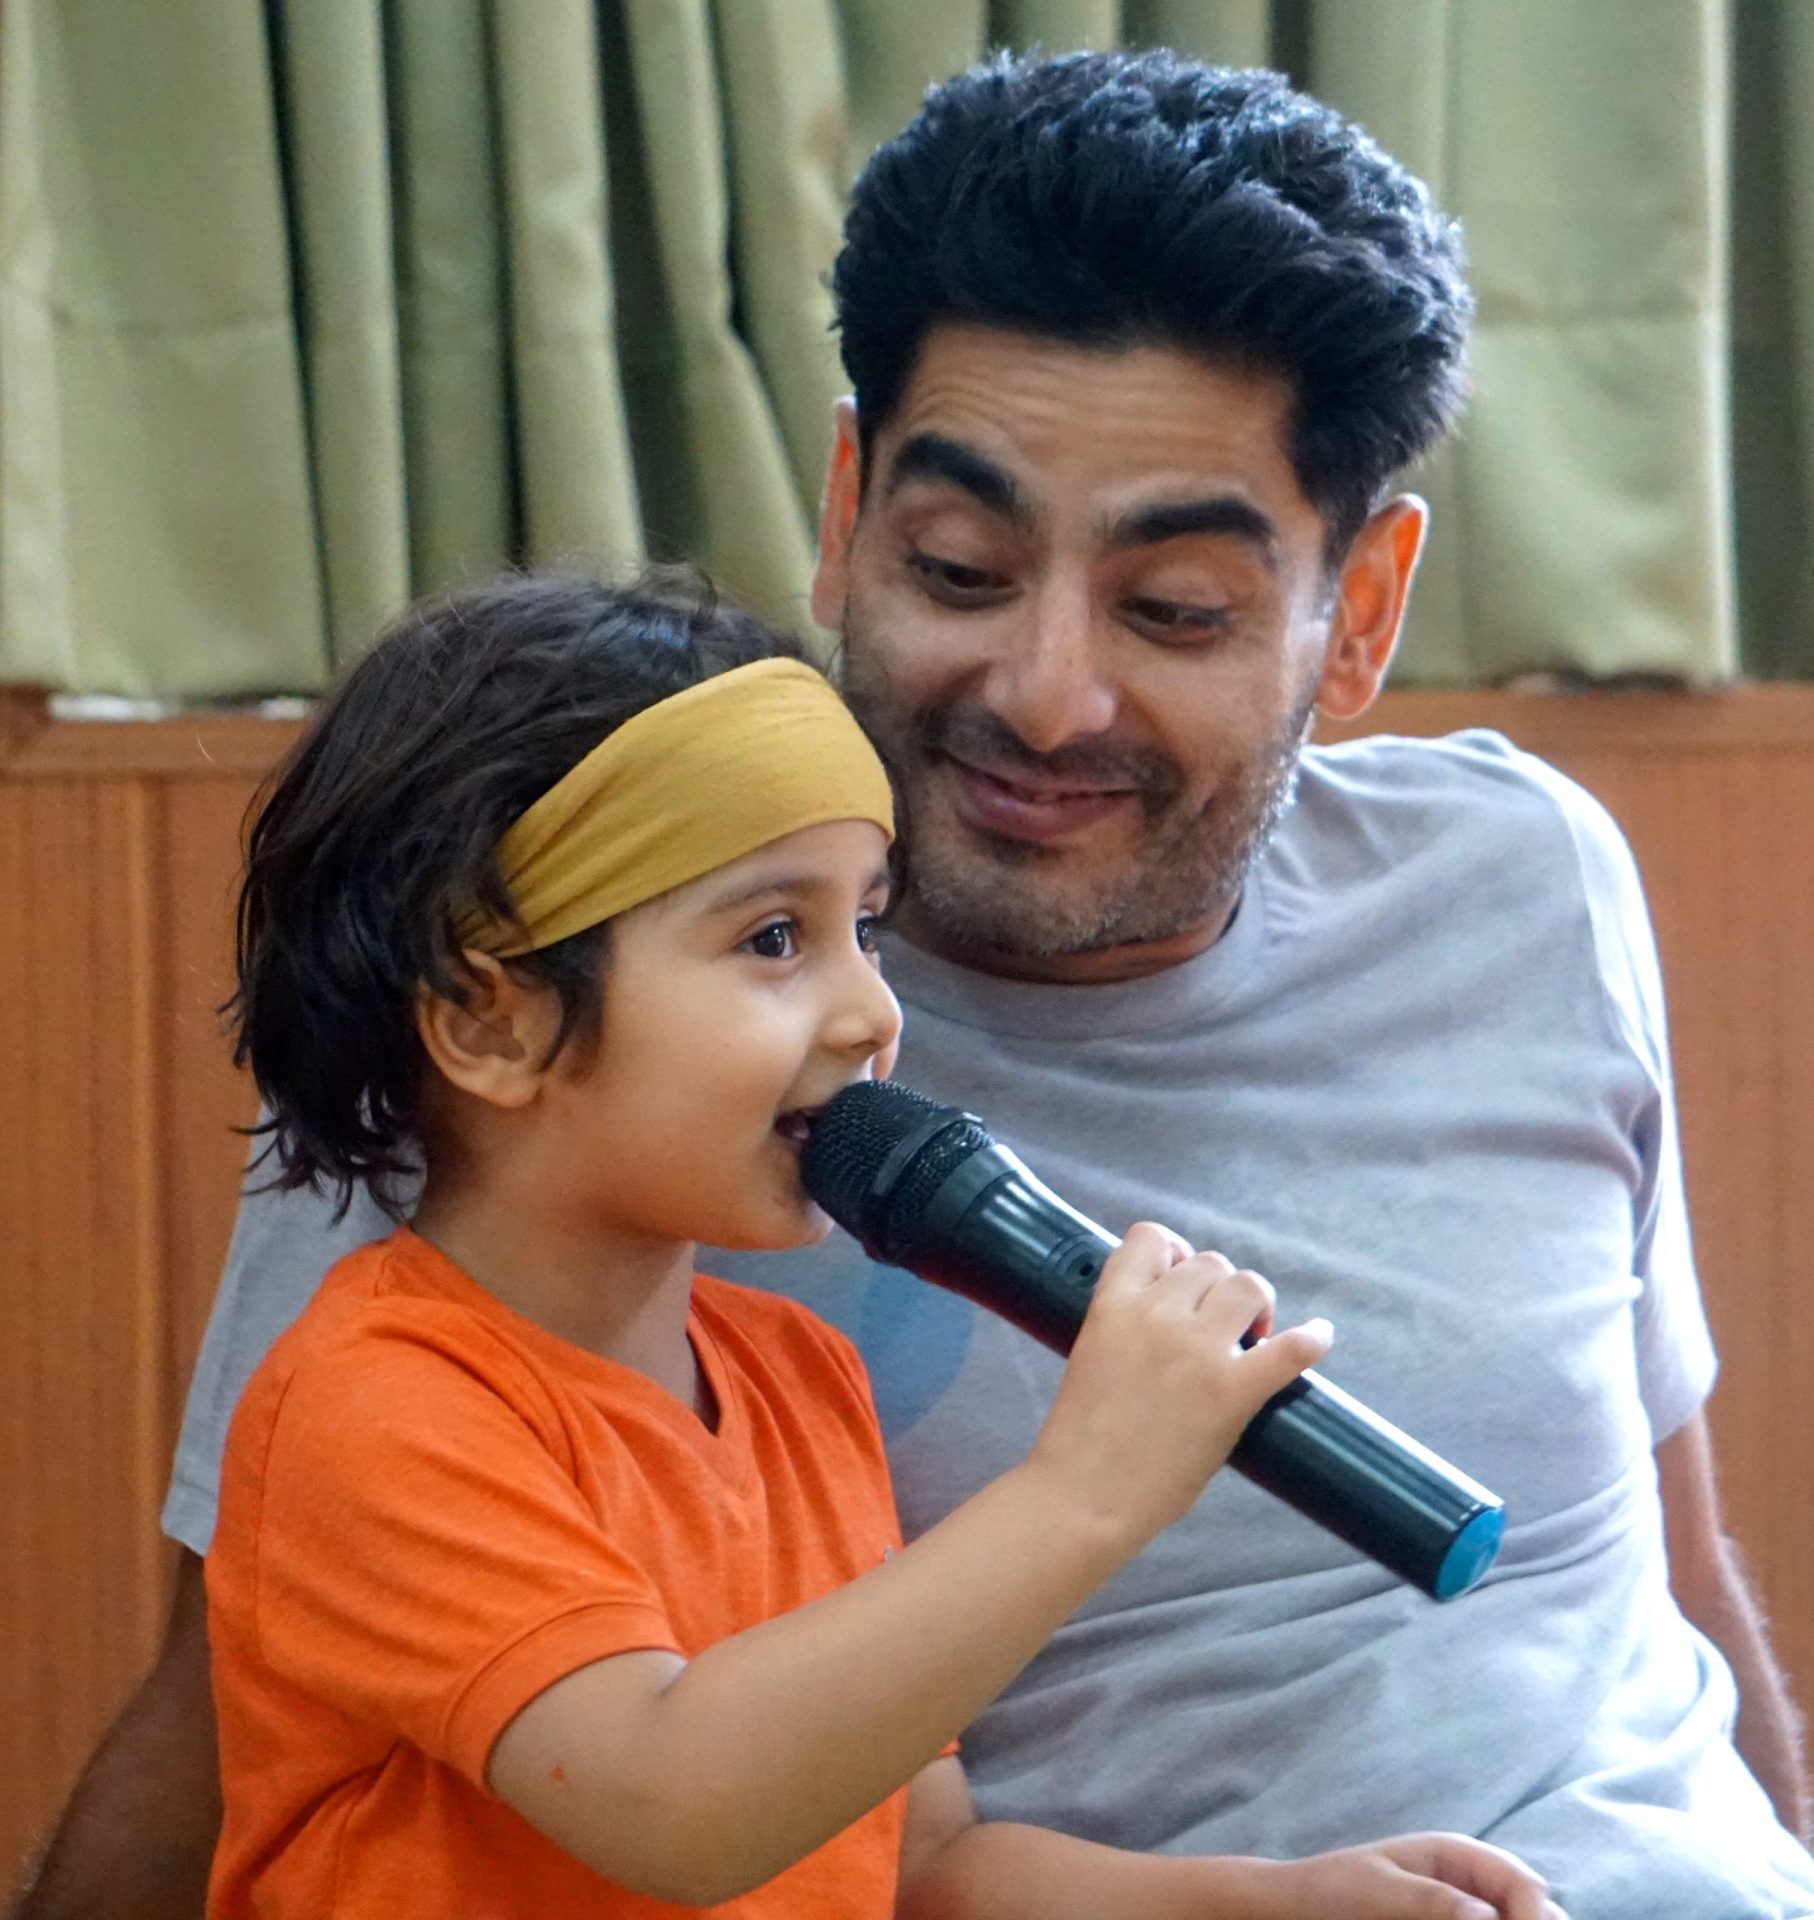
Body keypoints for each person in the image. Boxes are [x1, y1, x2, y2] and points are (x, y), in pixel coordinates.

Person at [12, 45, 1814, 1920]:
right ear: (849, 505)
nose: (1043, 695)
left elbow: (1659, 1567)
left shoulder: (1527, 877)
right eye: (959, 564)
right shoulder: (536, 1026)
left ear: (1353, 618)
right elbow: (258, 1723)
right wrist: (1088, 1490)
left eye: (1173, 609)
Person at [189, 566, 1557, 1920]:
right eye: (774, 937)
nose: (866, 1014)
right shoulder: (378, 1405)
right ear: (490, 1023)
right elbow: (671, 1803)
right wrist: (1085, 1488)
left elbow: (921, 1869)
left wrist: (1265, 1903)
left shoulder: (799, 1382)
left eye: (866, 927)